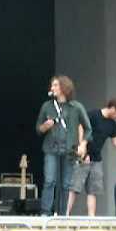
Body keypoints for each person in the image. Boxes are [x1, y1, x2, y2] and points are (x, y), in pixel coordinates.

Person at [66, 99, 116, 216]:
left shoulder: (112, 124)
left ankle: (91, 218)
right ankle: (65, 215)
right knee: (74, 187)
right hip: (83, 156)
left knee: (93, 190)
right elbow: (81, 126)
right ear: (113, 109)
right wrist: (82, 145)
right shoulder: (93, 114)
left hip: (97, 159)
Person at [36, 75, 92, 215]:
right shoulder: (47, 106)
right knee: (49, 181)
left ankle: (62, 215)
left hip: (69, 150)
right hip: (51, 148)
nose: (52, 88)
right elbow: (38, 129)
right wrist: (45, 126)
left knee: (66, 184)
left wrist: (83, 144)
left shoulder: (76, 107)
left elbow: (88, 128)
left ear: (64, 87)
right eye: (52, 85)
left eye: (55, 85)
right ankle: (45, 213)